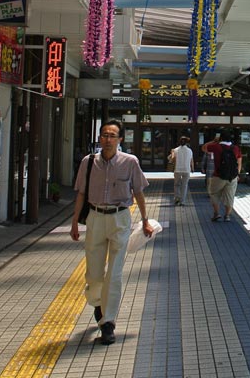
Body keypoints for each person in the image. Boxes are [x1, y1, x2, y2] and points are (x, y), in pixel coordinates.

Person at [71, 119, 153, 345]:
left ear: (120, 139)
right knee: (94, 273)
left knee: (114, 273)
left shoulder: (130, 162)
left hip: (120, 218)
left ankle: (108, 323)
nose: (107, 139)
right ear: (100, 138)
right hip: (95, 218)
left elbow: (138, 192)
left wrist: (145, 221)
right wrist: (75, 222)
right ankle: (99, 304)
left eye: (112, 136)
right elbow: (80, 194)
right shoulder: (88, 163)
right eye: (104, 135)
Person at [203, 128, 241, 222]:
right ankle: (227, 216)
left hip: (218, 175)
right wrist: (237, 174)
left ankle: (216, 213)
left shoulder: (215, 146)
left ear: (220, 138)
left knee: (214, 194)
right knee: (230, 196)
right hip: (232, 177)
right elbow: (239, 162)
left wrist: (214, 141)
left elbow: (204, 148)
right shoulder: (236, 148)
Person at [170, 135, 193, 206]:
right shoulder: (190, 150)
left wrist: (172, 153)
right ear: (187, 142)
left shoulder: (175, 150)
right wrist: (192, 168)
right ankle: (182, 201)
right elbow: (191, 160)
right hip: (186, 169)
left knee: (177, 184)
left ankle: (177, 198)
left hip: (178, 169)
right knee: (184, 185)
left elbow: (173, 159)